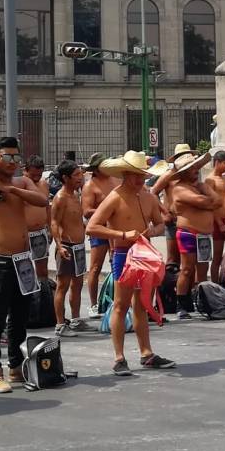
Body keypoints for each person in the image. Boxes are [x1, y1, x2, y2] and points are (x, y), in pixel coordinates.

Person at [86, 151, 175, 376]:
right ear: (125, 174)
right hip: (124, 255)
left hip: (144, 255)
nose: (140, 180)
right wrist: (123, 234)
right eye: (136, 175)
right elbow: (92, 226)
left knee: (142, 303)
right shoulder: (115, 197)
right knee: (120, 304)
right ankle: (119, 357)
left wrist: (152, 231)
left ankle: (146, 353)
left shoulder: (148, 197)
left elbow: (160, 224)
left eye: (142, 175)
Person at [0, 137, 50, 393]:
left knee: (19, 316)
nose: (13, 162)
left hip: (22, 260)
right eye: (7, 157)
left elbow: (42, 200)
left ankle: (16, 365)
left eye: (16, 157)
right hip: (0, 260)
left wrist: (14, 191)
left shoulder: (21, 182)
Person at [169, 152, 218, 319]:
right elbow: (206, 202)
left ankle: (201, 300)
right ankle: (181, 304)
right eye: (192, 168)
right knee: (187, 269)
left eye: (196, 167)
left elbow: (218, 201)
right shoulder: (179, 189)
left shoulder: (200, 186)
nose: (196, 170)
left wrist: (204, 189)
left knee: (203, 270)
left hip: (204, 235)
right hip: (188, 233)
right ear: (183, 172)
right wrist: (206, 198)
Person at [50, 160, 95, 336]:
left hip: (78, 246)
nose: (80, 177)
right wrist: (60, 246)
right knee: (63, 285)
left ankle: (76, 320)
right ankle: (60, 325)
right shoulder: (60, 197)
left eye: (80, 174)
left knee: (77, 284)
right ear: (65, 177)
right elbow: (54, 223)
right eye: (76, 175)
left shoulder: (76, 194)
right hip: (67, 247)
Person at [82, 153, 117, 318]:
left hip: (116, 228)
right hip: (99, 229)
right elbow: (87, 211)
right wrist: (106, 210)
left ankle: (116, 300)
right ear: (97, 169)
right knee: (95, 267)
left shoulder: (115, 180)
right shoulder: (90, 186)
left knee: (117, 263)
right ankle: (94, 304)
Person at [206, 150, 225, 284]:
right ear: (217, 163)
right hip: (218, 221)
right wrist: (220, 222)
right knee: (217, 256)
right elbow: (211, 204)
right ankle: (215, 284)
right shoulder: (210, 180)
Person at [21, 155, 50, 280]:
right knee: (24, 270)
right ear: (25, 171)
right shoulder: (20, 185)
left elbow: (48, 207)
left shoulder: (44, 184)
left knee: (42, 270)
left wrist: (50, 229)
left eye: (39, 174)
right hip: (24, 234)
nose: (36, 178)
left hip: (41, 233)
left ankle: (43, 296)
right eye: (33, 175)